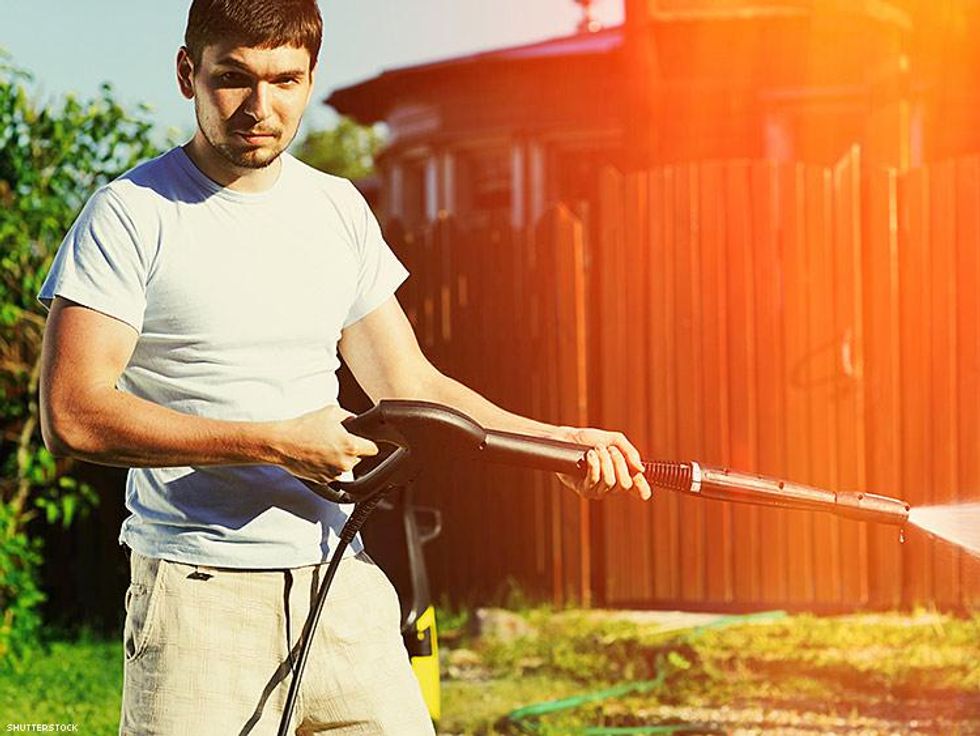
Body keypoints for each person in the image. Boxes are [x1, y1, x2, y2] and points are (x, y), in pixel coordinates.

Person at [37, 1, 652, 733]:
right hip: (200, 596)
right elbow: (73, 414)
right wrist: (273, 442)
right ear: (187, 73)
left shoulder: (336, 208)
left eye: (285, 80)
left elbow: (412, 385)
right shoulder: (131, 214)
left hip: (340, 578)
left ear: (310, 78)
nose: (259, 108)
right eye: (233, 78)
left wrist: (558, 441)